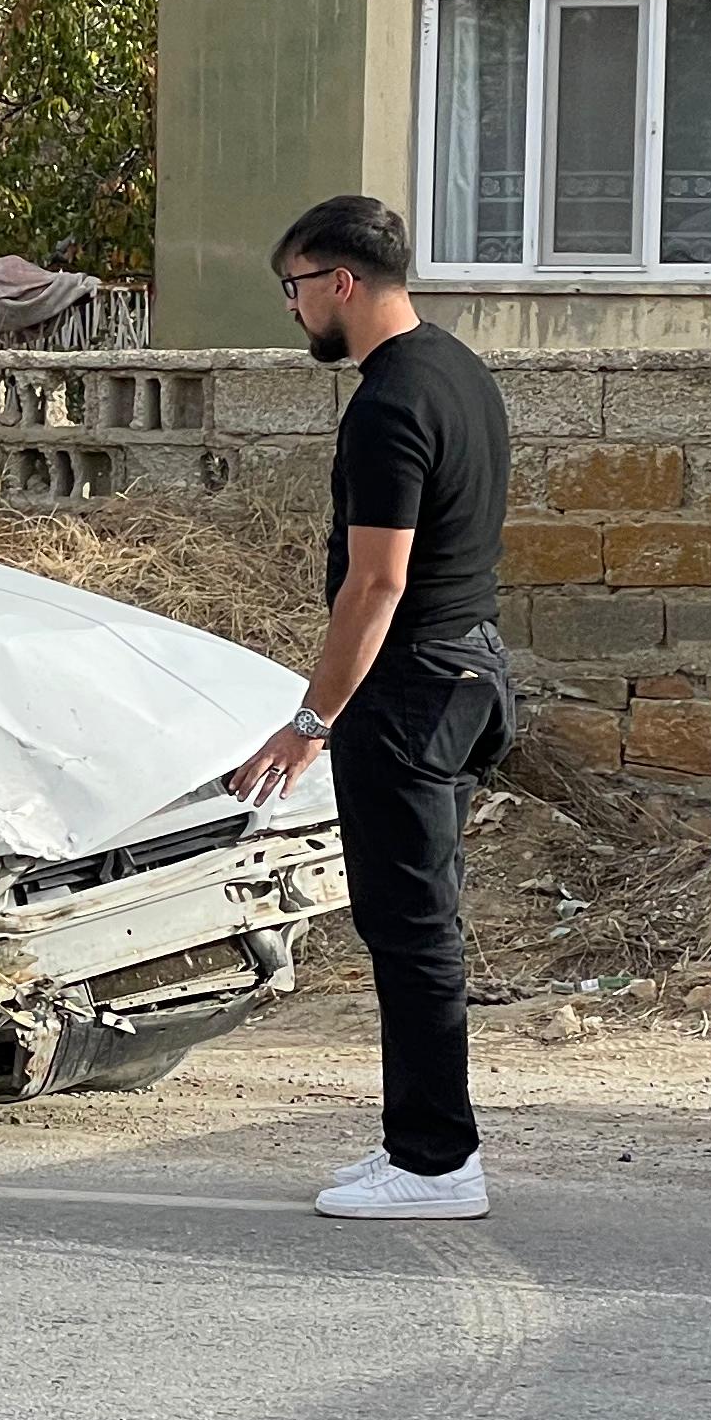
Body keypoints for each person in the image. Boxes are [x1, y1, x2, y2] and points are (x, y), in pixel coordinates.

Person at [227, 196, 518, 1222]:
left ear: (340, 283)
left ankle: (439, 1164)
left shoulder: (390, 404)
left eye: (296, 289)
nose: (296, 310)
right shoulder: (459, 371)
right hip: (473, 670)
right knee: (416, 920)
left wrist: (311, 723)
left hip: (412, 689)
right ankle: (417, 1141)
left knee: (412, 929)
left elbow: (376, 583)